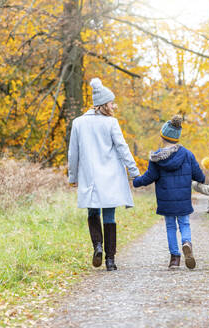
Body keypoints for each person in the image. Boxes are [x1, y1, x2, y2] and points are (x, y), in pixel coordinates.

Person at [68, 78, 140, 271]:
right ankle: (110, 260)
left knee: (93, 212)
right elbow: (123, 148)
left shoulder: (78, 123)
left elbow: (73, 152)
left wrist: (72, 177)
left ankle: (97, 245)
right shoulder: (111, 123)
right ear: (102, 105)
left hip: (90, 177)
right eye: (111, 103)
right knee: (109, 216)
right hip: (110, 177)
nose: (113, 106)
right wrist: (134, 171)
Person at [133, 115, 205, 269]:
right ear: (177, 138)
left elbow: (149, 177)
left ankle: (175, 259)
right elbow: (199, 175)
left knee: (171, 226)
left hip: (166, 199)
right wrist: (202, 179)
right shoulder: (187, 154)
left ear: (162, 136)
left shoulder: (157, 158)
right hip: (183, 198)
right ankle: (186, 242)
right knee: (184, 223)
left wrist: (136, 182)